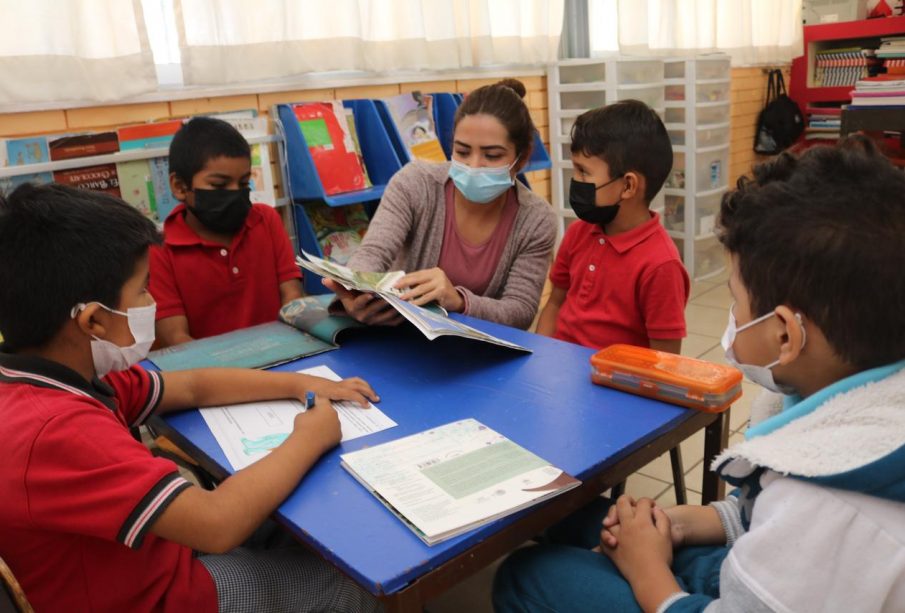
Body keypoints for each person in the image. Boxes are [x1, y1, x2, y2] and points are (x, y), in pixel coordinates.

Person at [493, 137, 905, 612]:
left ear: (785, 337)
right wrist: (678, 523)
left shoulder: (826, 509)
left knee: (528, 576)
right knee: (575, 518)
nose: (732, 313)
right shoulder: (850, 399)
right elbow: (761, 513)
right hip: (763, 571)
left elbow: (787, 527)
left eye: (736, 299)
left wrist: (649, 570)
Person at [0, 183, 380, 612]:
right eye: (143, 289)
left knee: (295, 532)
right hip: (160, 598)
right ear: (93, 321)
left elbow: (193, 385)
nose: (152, 300)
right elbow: (217, 524)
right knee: (353, 585)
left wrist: (298, 384)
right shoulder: (59, 431)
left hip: (144, 559)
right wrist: (310, 437)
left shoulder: (61, 375)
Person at [325, 79, 556, 331]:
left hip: (478, 359)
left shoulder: (537, 219)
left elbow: (519, 311)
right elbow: (372, 254)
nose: (473, 166)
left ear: (520, 159)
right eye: (462, 151)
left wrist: (457, 300)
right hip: (401, 340)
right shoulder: (416, 183)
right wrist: (356, 294)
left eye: (492, 156)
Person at [535, 100, 689, 353]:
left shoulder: (662, 266)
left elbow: (665, 361)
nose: (575, 180)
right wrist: (542, 356)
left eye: (583, 172)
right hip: (559, 372)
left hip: (614, 387)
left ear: (628, 186)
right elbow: (555, 304)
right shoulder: (577, 233)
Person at [150, 117, 303, 347]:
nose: (235, 194)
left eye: (243, 184)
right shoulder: (159, 249)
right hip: (211, 376)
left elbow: (292, 298)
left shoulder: (266, 220)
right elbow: (177, 339)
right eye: (219, 186)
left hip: (282, 361)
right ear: (180, 187)